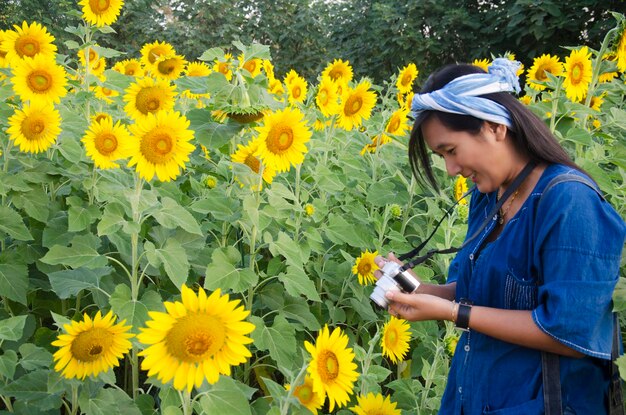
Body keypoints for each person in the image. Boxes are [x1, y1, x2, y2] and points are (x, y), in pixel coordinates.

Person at [374, 58, 626, 414]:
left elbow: (571, 331)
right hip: (472, 398)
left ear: (494, 127)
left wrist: (452, 312)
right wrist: (416, 290)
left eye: (451, 151)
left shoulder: (570, 202)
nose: (451, 170)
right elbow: (477, 294)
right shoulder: (490, 195)